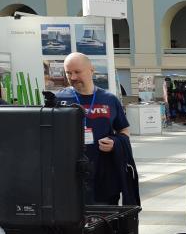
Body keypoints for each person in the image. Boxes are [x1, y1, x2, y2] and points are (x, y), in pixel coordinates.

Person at [55, 52, 132, 205]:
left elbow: (124, 130)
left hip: (105, 174)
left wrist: (115, 143)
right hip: (71, 175)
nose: (73, 77)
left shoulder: (109, 99)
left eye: (77, 72)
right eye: (69, 73)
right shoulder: (60, 99)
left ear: (92, 70)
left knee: (104, 222)